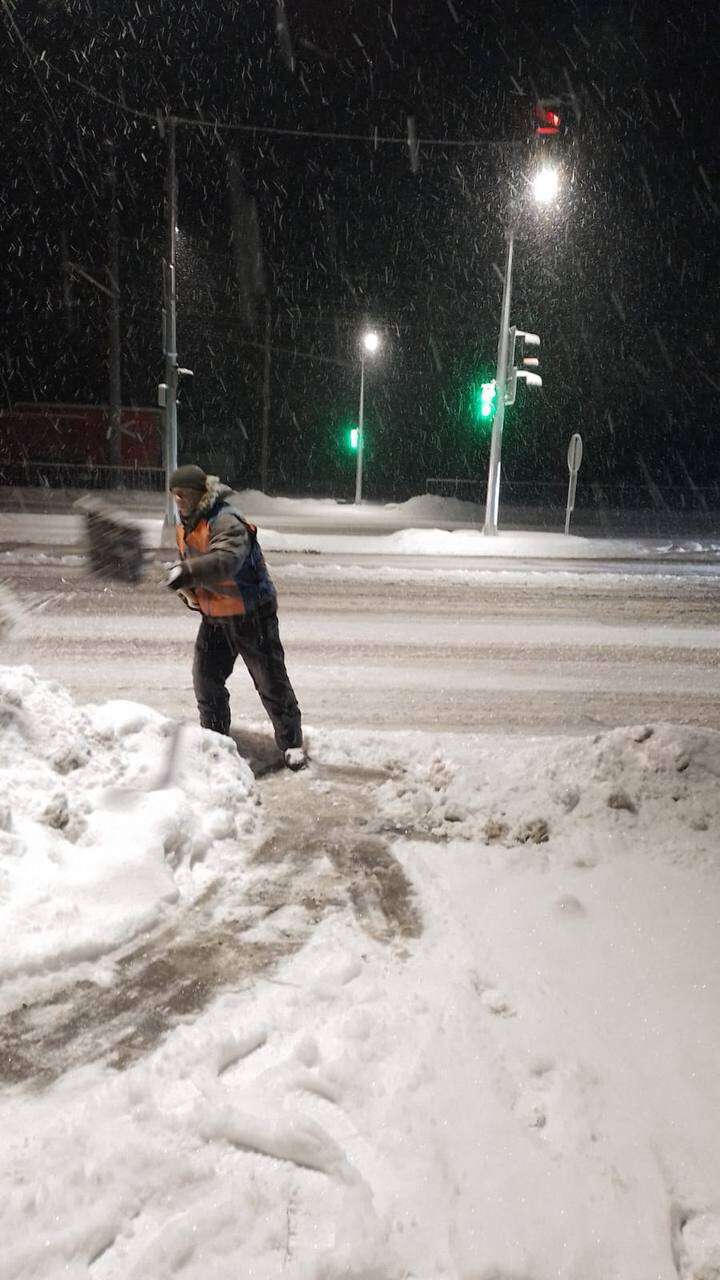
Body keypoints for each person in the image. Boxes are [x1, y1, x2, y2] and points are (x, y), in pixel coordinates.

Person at [165, 464, 305, 770]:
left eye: (184, 495)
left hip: (252, 615)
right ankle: (215, 740)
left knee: (271, 683)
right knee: (206, 681)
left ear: (201, 493)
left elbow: (225, 561)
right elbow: (192, 561)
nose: (179, 501)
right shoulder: (186, 523)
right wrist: (185, 584)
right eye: (175, 495)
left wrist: (188, 572)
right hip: (215, 617)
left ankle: (292, 745)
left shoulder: (226, 520)